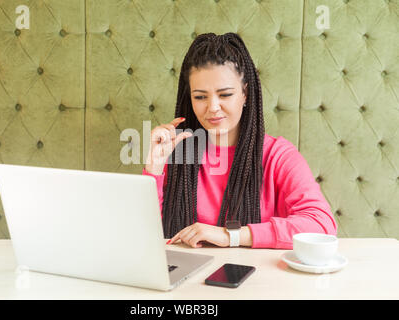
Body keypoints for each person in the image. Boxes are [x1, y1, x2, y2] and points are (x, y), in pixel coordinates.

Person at [142, 32, 337, 249]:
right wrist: (154, 169)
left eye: (225, 94)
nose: (213, 107)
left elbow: (321, 224)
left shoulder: (277, 155)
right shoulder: (178, 153)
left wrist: (230, 236)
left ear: (245, 93)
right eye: (200, 97)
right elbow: (140, 235)